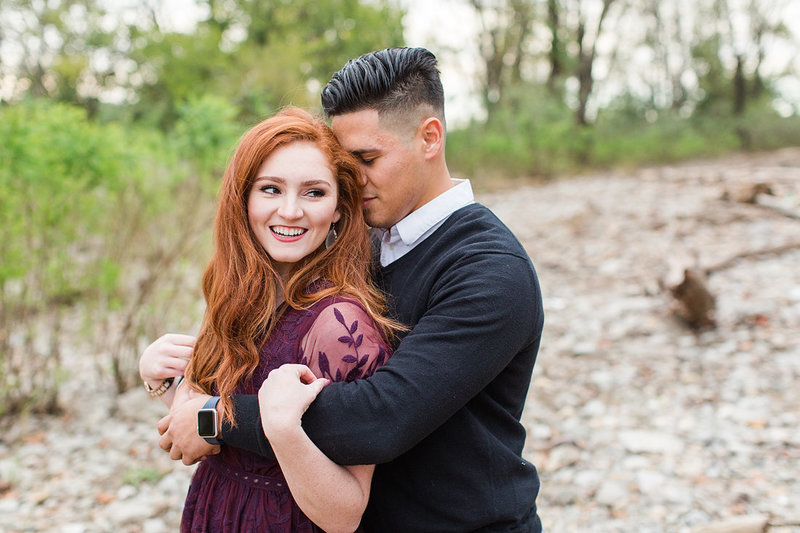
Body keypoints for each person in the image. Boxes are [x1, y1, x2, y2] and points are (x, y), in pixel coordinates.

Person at [157, 47, 545, 531]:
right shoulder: (358, 242)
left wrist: (216, 420)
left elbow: (380, 417)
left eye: (367, 158)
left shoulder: (490, 271)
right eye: (345, 162)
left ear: (430, 138)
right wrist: (178, 376)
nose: (352, 180)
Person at [140, 106, 400, 532]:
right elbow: (199, 436)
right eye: (271, 189)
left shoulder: (339, 326)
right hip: (219, 510)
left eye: (314, 193)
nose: (291, 211)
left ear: (338, 207)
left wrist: (281, 428)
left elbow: (346, 513)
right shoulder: (242, 296)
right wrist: (165, 381)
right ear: (243, 197)